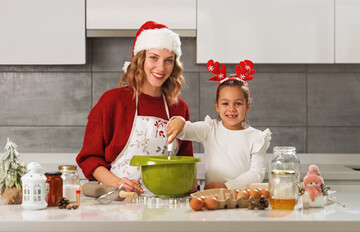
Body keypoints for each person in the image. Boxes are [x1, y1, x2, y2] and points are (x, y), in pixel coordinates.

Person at [76, 21, 194, 194]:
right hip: (118, 200)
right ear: (140, 60)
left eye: (168, 60)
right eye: (153, 57)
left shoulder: (179, 108)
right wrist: (118, 183)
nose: (161, 68)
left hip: (163, 204)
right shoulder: (112, 101)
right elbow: (89, 158)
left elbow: (185, 161)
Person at [167, 59, 271, 190]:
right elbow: (186, 130)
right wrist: (179, 120)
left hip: (241, 197)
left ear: (248, 106)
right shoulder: (210, 129)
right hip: (212, 196)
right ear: (217, 106)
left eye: (238, 103)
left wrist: (227, 186)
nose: (231, 109)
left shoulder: (257, 137)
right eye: (225, 103)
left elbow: (257, 173)